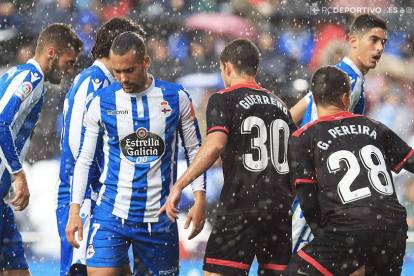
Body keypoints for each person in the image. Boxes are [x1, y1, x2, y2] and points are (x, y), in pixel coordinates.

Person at [65, 32, 206, 276]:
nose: (123, 78)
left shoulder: (176, 97)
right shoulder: (100, 101)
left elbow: (195, 150)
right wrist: (74, 210)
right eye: (117, 71)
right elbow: (85, 160)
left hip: (160, 217)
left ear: (146, 62)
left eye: (129, 70)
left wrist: (199, 197)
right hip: (110, 213)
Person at [156, 38, 296, 276]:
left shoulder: (223, 99)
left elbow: (214, 145)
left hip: (241, 205)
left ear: (227, 67)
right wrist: (285, 201)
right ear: (256, 69)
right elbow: (294, 163)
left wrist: (180, 184)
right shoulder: (280, 105)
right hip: (279, 209)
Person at [285, 65, 414, 276]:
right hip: (392, 227)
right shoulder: (374, 125)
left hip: (347, 228)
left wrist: (323, 234)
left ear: (314, 101)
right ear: (346, 98)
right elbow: (411, 161)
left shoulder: (304, 137)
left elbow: (307, 200)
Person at [289, 13, 388, 254]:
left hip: (308, 182)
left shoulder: (333, 75)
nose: (379, 48)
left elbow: (291, 116)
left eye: (383, 42)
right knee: (300, 258)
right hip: (318, 187)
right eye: (373, 40)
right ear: (353, 41)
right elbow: (318, 132)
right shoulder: (349, 82)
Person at [56, 17, 146, 276]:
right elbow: (76, 144)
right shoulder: (92, 81)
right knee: (82, 269)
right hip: (83, 196)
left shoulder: (107, 81)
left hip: (101, 196)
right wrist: (87, 194)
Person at [0, 23, 82, 275]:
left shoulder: (16, 74)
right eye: (68, 62)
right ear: (51, 53)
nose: (70, 70)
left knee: (17, 269)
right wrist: (19, 173)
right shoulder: (31, 79)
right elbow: (2, 123)